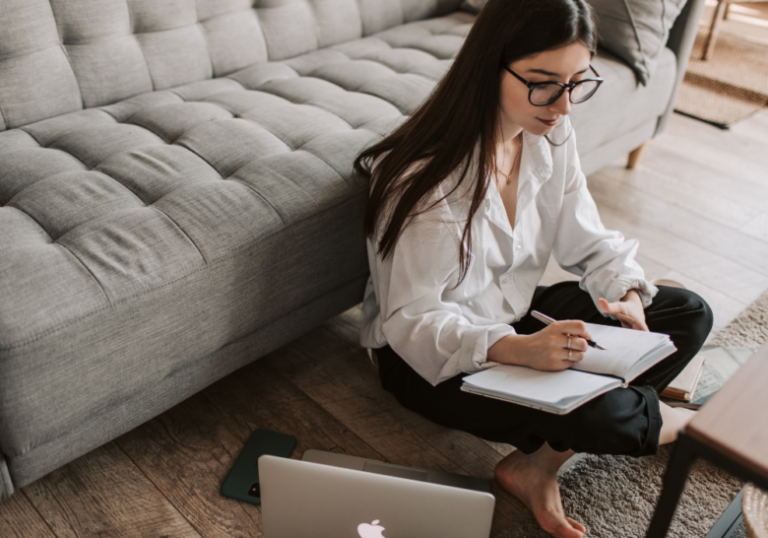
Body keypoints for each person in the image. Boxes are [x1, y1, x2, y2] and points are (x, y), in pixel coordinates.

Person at [354, 0, 714, 537]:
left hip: (517, 316)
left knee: (686, 312)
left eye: (576, 83)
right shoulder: (425, 181)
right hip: (434, 359)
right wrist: (517, 350)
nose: (563, 107)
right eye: (545, 84)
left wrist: (625, 296)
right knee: (606, 416)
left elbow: (588, 238)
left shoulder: (549, 132)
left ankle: (537, 463)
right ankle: (697, 425)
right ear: (489, 66)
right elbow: (413, 321)